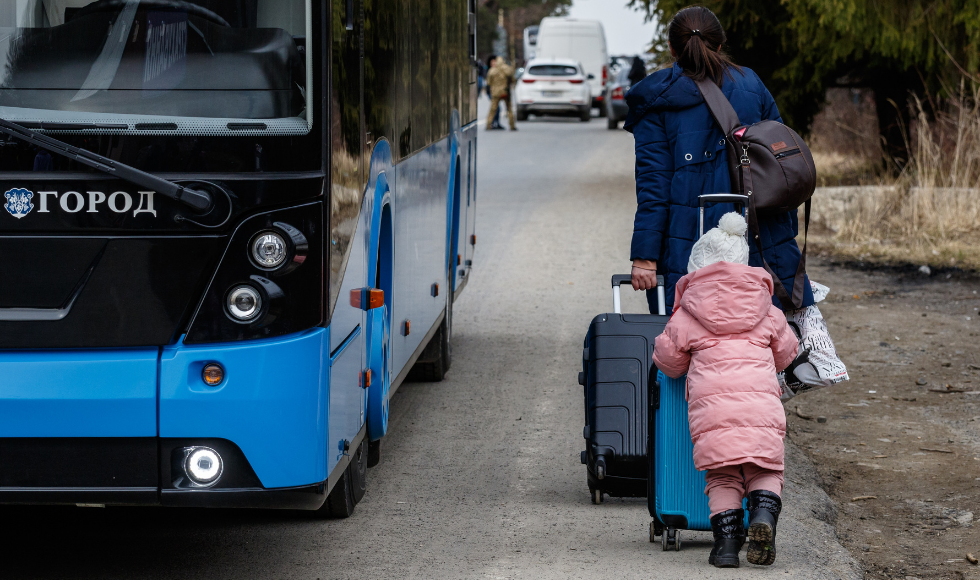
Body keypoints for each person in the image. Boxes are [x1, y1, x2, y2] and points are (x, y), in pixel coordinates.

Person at [623, 5, 814, 317]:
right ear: (720, 44)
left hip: (688, 245)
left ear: (672, 49)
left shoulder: (655, 102)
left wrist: (644, 257)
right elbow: (782, 168)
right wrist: (784, 236)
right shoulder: (751, 84)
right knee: (763, 335)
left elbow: (653, 187)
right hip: (758, 234)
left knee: (694, 335)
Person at [652, 212, 797, 568]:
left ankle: (727, 547)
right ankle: (763, 515)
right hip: (761, 410)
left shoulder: (687, 314)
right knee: (766, 468)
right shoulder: (767, 309)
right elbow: (787, 353)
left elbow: (668, 361)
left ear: (697, 268)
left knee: (723, 475)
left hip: (713, 415)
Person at [486, 56, 516, 131]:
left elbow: (489, 82)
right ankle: (512, 125)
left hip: (495, 92)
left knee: (492, 109)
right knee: (509, 109)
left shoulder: (492, 70)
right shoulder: (507, 69)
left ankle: (488, 125)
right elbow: (512, 79)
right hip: (506, 91)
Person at [485, 55, 501, 129]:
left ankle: (495, 123)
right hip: (492, 92)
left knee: (497, 108)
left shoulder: (498, 71)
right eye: (492, 62)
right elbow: (488, 83)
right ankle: (491, 123)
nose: (494, 64)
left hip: (496, 91)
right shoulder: (490, 71)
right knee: (495, 108)